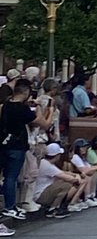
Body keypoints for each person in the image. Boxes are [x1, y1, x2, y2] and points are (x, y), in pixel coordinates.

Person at [1, 79, 52, 221]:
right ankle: (10, 207)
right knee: (11, 177)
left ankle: (11, 205)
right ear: (26, 92)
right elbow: (37, 120)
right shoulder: (22, 108)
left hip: (5, 143)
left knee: (7, 177)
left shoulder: (6, 106)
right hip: (17, 146)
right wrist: (39, 107)